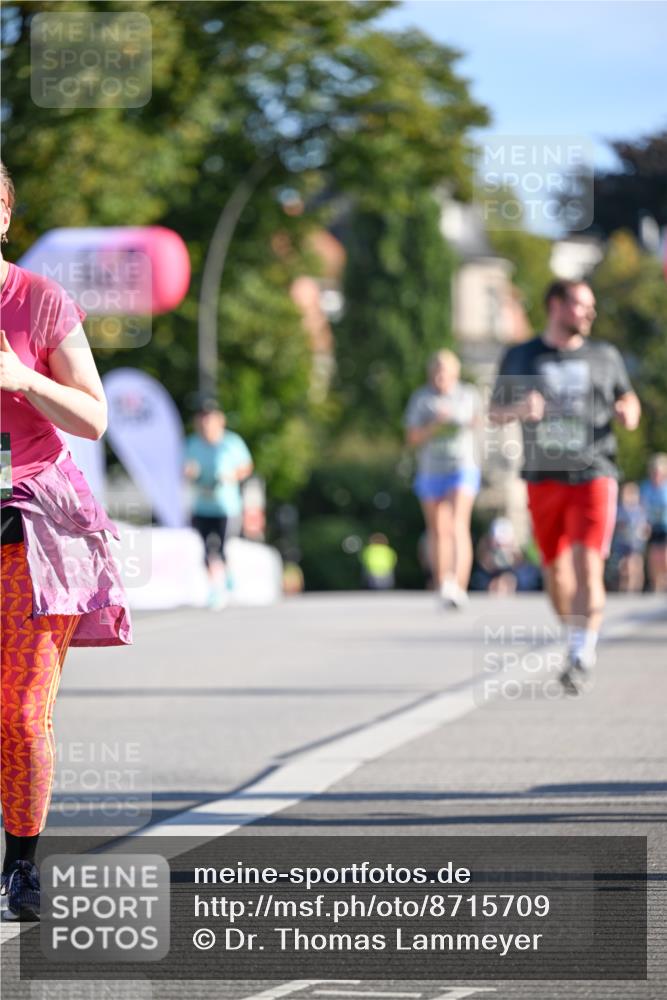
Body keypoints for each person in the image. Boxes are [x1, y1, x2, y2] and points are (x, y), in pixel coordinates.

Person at [0, 161, 131, 920]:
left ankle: (21, 864)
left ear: (6, 217)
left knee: (18, 713)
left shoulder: (41, 301)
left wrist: (23, 379)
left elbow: (93, 418)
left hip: (32, 520)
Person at [489, 278, 640, 694]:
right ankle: (574, 635)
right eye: (580, 305)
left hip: (595, 471)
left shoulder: (605, 356)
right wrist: (520, 407)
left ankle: (581, 651)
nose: (589, 313)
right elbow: (494, 411)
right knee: (555, 572)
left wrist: (630, 411)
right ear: (555, 305)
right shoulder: (522, 356)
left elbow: (628, 399)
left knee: (589, 563)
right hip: (542, 476)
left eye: (591, 306)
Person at [404, 349, 482, 608]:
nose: (440, 377)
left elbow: (480, 421)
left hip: (461, 466)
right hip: (431, 470)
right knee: (438, 529)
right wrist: (434, 425)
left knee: (458, 524)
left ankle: (459, 585)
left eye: (445, 372)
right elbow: (412, 437)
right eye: (436, 371)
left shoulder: (467, 395)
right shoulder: (422, 398)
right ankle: (443, 583)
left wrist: (460, 418)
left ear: (455, 373)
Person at [184, 399, 253, 609]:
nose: (206, 423)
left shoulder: (231, 442)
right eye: (202, 419)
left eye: (210, 418)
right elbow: (184, 468)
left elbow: (246, 467)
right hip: (202, 506)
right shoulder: (192, 444)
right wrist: (189, 473)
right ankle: (214, 587)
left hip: (226, 507)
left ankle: (226, 576)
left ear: (219, 421)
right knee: (205, 549)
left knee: (222, 548)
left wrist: (231, 476)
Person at [610, 482, 648, 593]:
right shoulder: (620, 509)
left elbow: (644, 526)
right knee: (624, 565)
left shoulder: (639, 510)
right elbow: (616, 524)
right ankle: (625, 586)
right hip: (622, 542)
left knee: (636, 563)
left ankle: (636, 586)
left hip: (636, 542)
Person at [640, 453, 667, 592]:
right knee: (653, 556)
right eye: (654, 471)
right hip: (651, 526)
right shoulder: (646, 487)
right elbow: (642, 508)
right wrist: (644, 523)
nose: (656, 474)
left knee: (664, 556)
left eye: (659, 471)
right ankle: (655, 584)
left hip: (665, 526)